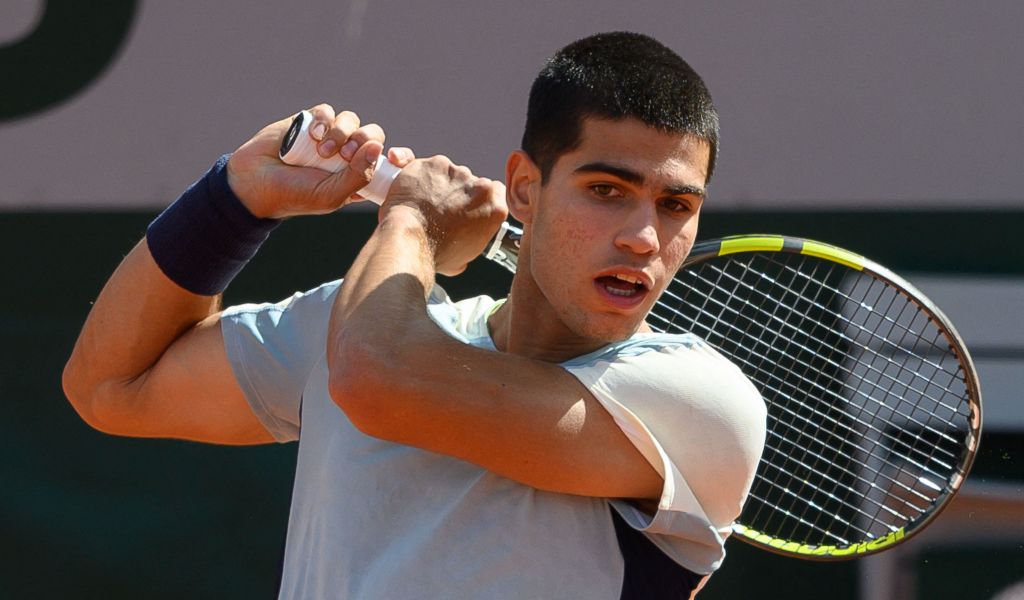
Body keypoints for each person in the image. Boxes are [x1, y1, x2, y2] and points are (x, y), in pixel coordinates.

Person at [63, 32, 766, 599]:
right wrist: (234, 199)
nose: (644, 237)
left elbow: (375, 379)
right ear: (525, 188)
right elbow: (110, 386)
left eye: (675, 205)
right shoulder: (361, 324)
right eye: (607, 190)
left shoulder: (702, 403)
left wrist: (414, 221)